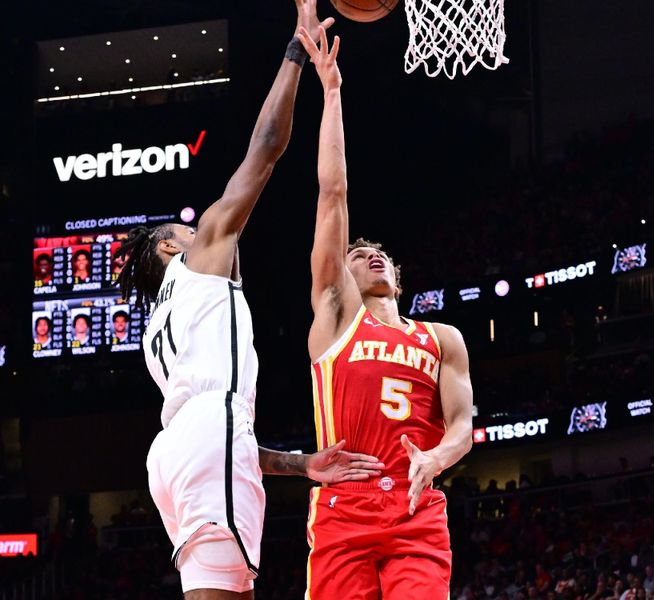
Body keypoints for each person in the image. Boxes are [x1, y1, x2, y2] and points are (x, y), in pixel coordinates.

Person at [114, 3, 383, 598]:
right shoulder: (195, 258)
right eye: (183, 231)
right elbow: (264, 152)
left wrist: (298, 464)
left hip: (177, 456)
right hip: (208, 442)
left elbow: (220, 425)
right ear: (165, 248)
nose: (202, 229)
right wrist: (294, 52)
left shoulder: (155, 330)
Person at [297, 25, 474, 598]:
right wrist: (331, 92)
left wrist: (439, 457)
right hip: (344, 507)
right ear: (340, 277)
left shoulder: (442, 338)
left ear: (397, 278)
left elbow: (463, 425)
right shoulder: (335, 318)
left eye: (381, 255)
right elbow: (333, 194)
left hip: (415, 502)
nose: (370, 255)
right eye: (357, 254)